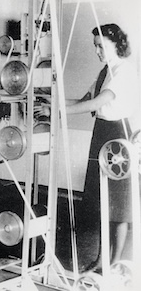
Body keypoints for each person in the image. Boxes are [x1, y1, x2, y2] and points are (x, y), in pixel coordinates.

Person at [34, 23, 138, 272]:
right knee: (102, 198)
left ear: (116, 43)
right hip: (101, 133)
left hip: (117, 137)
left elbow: (102, 101)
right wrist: (51, 100)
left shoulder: (124, 71)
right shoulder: (106, 70)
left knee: (118, 202)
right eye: (95, 47)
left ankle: (113, 263)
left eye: (101, 46)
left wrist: (56, 111)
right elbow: (84, 101)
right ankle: (102, 259)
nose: (97, 51)